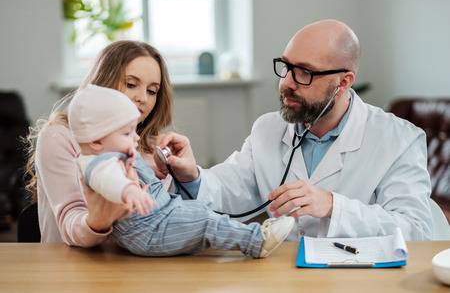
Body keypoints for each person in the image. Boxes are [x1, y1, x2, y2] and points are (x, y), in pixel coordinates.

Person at [155, 19, 433, 241]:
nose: (285, 83)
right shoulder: (268, 129)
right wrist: (192, 175)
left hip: (359, 280)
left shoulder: (400, 140)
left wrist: (334, 206)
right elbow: (231, 190)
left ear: (344, 82)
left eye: (304, 72)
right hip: (283, 276)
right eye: (286, 66)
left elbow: (416, 230)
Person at [68, 84, 295, 258]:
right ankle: (257, 241)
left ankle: (251, 237)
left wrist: (153, 173)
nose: (135, 137)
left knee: (201, 215)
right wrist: (129, 191)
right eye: (127, 133)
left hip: (159, 216)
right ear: (96, 141)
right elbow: (109, 181)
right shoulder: (97, 163)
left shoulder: (114, 152)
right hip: (147, 230)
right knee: (204, 221)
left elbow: (133, 176)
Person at [23, 41, 175, 246]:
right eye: (131, 84)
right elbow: (70, 223)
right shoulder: (60, 136)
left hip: (136, 269)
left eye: (152, 91)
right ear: (103, 82)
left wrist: (187, 180)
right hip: (71, 268)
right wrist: (98, 221)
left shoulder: (153, 148)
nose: (142, 99)